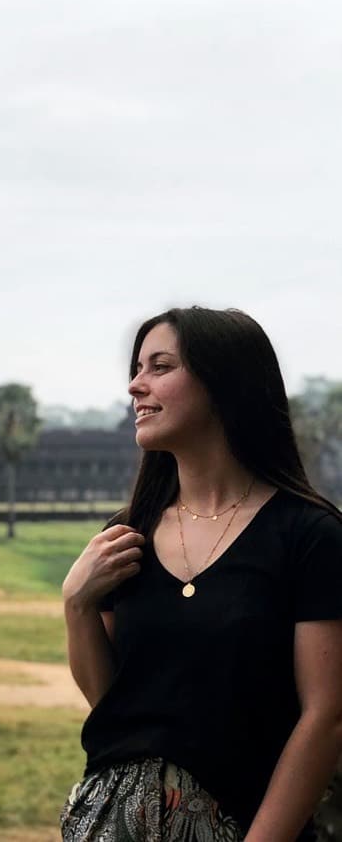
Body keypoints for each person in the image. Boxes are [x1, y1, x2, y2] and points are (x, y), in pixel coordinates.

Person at [60, 307, 342, 842]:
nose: (135, 386)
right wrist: (76, 605)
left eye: (159, 366)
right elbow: (119, 710)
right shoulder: (127, 537)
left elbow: (325, 717)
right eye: (136, 367)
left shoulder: (309, 536)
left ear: (223, 382)